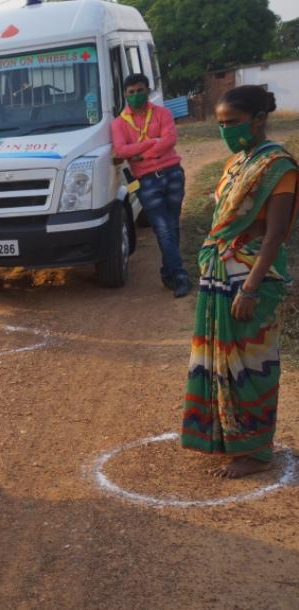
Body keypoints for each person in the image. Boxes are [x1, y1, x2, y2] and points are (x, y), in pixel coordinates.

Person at [181, 86, 297, 479]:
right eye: (220, 123)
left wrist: (250, 289)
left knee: (250, 364)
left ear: (259, 119)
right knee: (220, 360)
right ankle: (228, 438)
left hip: (252, 279)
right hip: (221, 272)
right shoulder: (237, 163)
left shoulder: (278, 167)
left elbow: (275, 235)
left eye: (232, 122)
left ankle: (257, 452)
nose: (225, 130)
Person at [111, 73, 190, 298]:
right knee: (163, 229)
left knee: (172, 226)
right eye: (131, 92)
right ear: (125, 94)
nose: (136, 95)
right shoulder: (118, 123)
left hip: (173, 173)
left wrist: (142, 154)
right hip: (146, 181)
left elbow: (170, 140)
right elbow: (121, 150)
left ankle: (168, 271)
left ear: (148, 90)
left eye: (140, 91)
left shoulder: (163, 113)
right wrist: (153, 143)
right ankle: (180, 276)